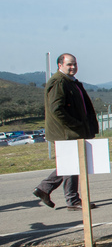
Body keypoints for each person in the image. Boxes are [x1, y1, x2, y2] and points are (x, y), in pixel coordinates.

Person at [33, 53, 100, 211]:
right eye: (69, 64)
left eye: (75, 64)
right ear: (59, 65)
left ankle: (45, 189)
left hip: (71, 131)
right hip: (66, 132)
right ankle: (71, 200)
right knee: (71, 164)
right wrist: (75, 124)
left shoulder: (70, 81)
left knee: (71, 164)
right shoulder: (58, 82)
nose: (73, 67)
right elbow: (56, 109)